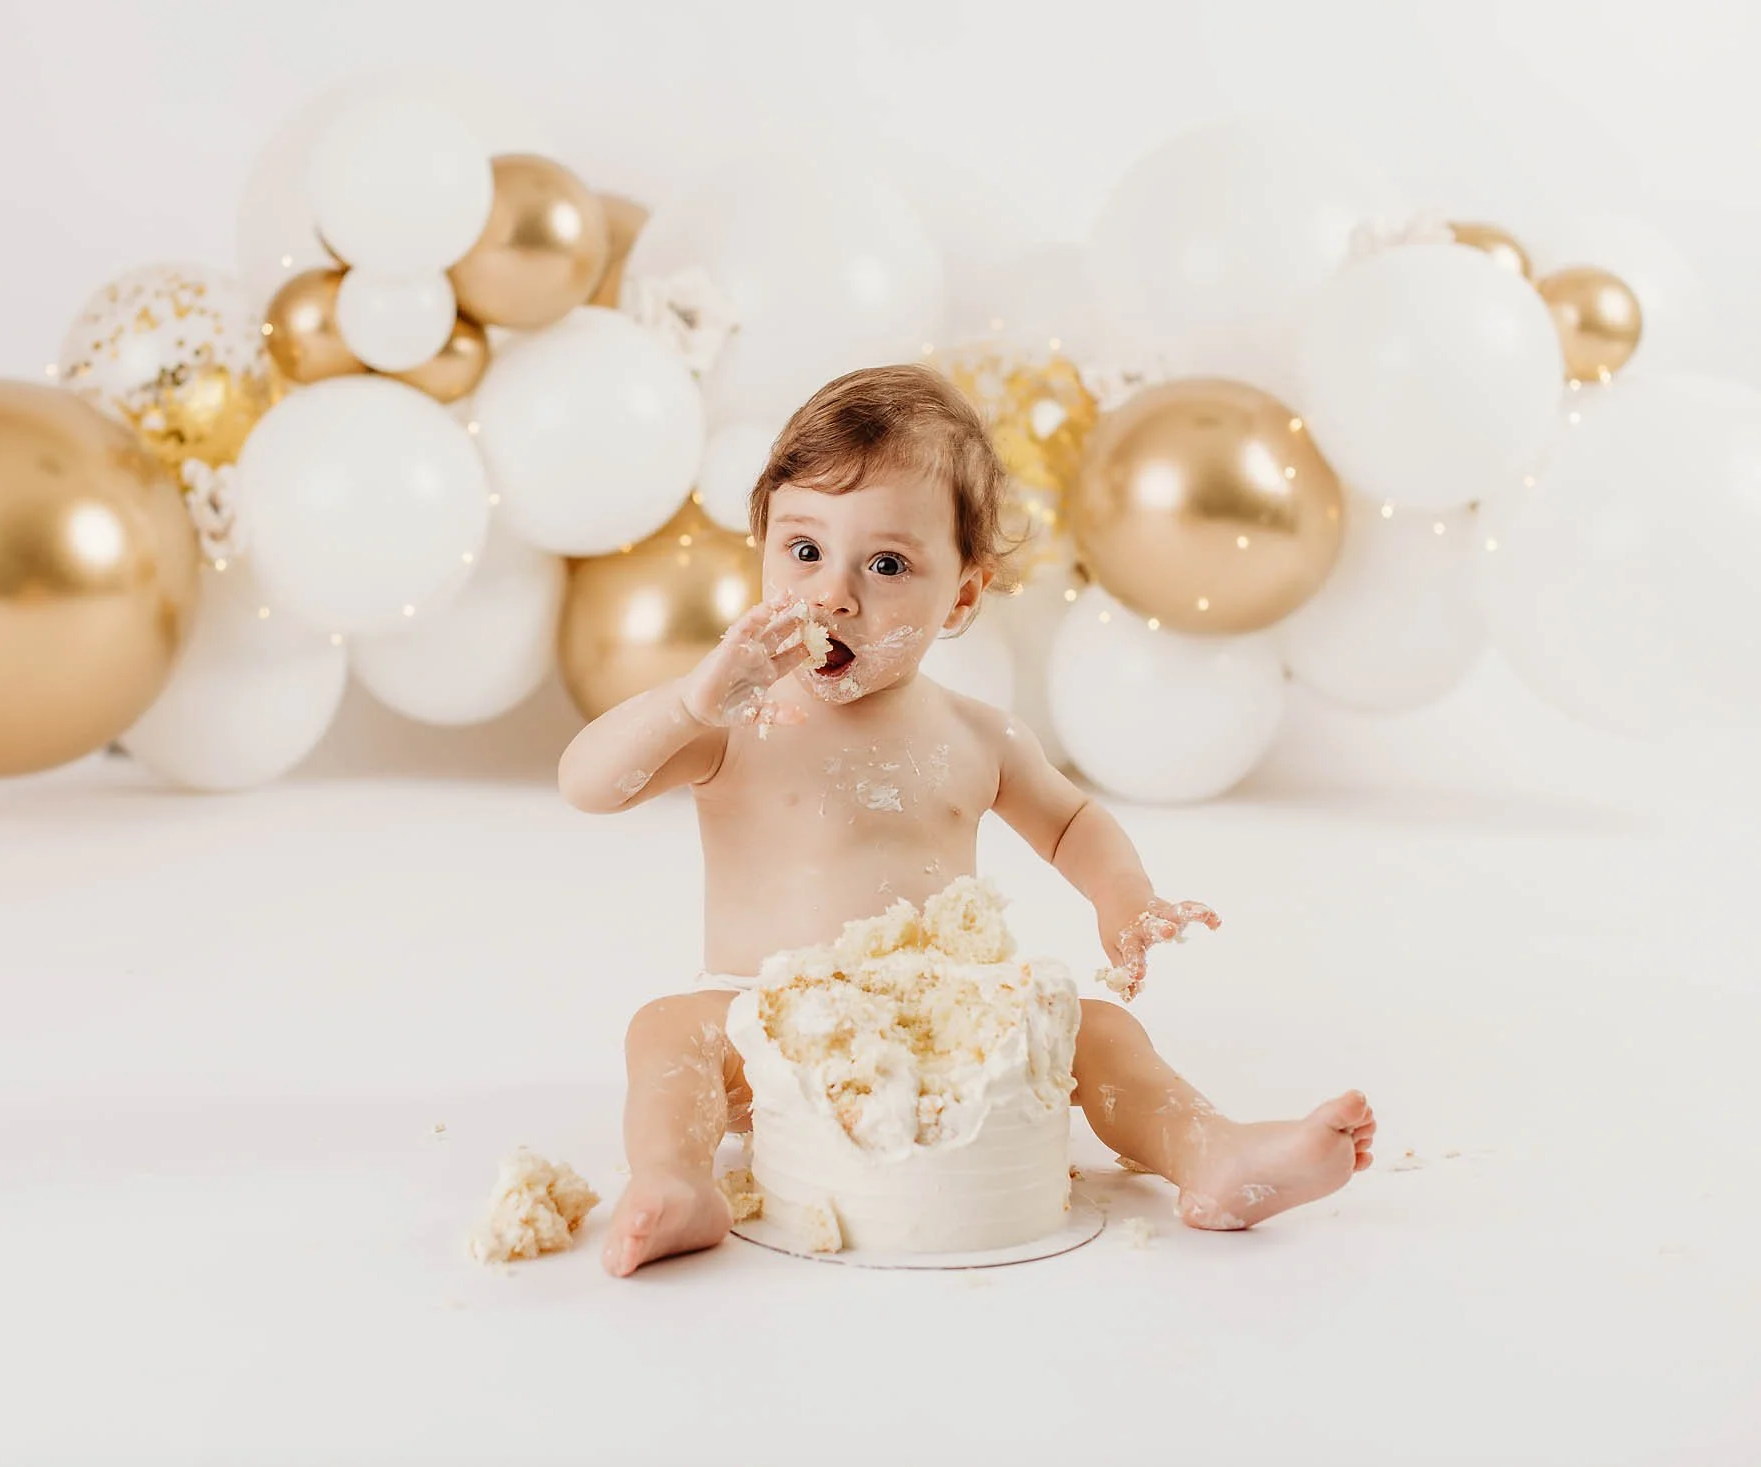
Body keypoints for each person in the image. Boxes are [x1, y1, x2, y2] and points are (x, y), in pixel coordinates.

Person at [558, 364, 1376, 1278]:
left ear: (961, 597)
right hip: (771, 1027)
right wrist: (689, 701)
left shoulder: (974, 735)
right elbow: (590, 782)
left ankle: (1213, 1152)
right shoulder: (738, 724)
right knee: (668, 1028)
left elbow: (1070, 824)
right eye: (802, 550)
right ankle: (674, 1183)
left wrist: (1125, 899)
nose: (833, 595)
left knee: (1099, 1031)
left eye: (887, 564)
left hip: (949, 1031)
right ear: (761, 547)